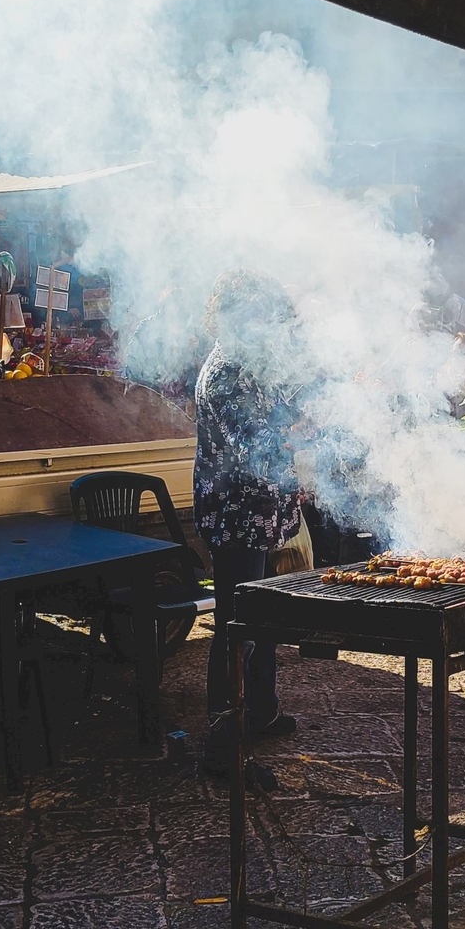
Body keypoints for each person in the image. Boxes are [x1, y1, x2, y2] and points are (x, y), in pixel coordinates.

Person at [194, 270, 303, 790]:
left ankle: (261, 712)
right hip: (236, 519)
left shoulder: (248, 363)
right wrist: (302, 449)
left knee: (262, 624)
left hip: (256, 519)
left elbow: (276, 415)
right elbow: (251, 454)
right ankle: (222, 749)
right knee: (237, 634)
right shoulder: (228, 374)